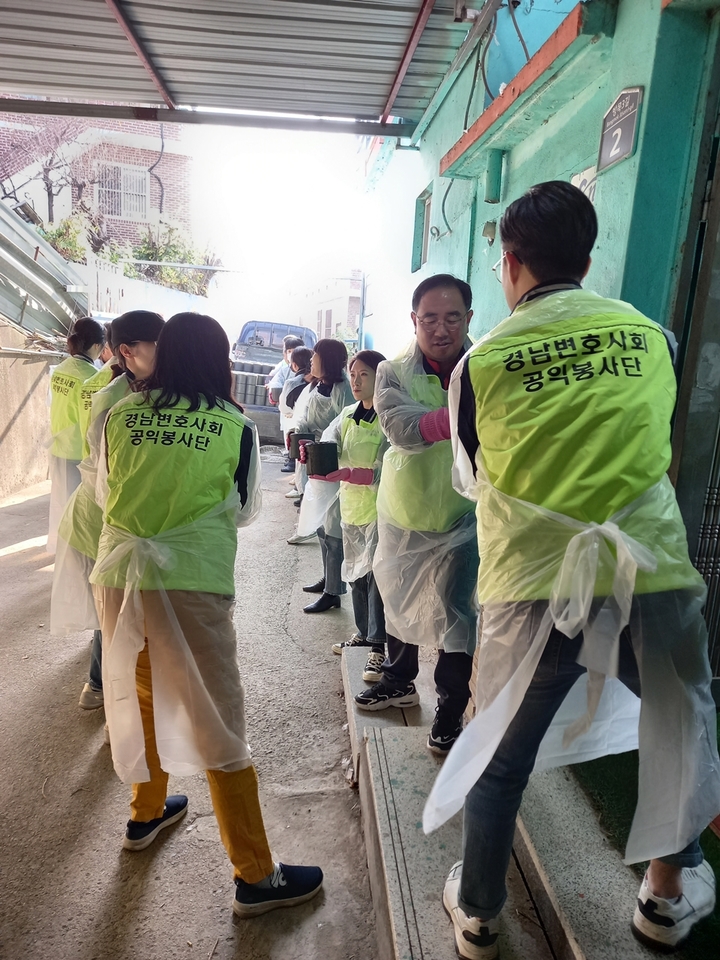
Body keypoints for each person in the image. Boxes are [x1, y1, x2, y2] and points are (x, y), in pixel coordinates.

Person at [431, 181, 720, 959]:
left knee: (501, 752)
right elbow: (648, 439)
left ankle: (482, 912)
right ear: (588, 261)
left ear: (512, 263)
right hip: (650, 569)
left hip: (530, 583)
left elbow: (473, 477)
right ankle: (664, 897)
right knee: (681, 727)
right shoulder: (651, 335)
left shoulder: (481, 362)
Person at [88, 312, 322, 915]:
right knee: (217, 718)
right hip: (193, 584)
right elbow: (244, 509)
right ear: (220, 361)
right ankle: (255, 875)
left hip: (119, 578)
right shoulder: (233, 426)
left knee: (140, 697)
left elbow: (103, 490)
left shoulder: (121, 414)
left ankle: (144, 815)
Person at [354, 276, 479, 759]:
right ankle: (399, 681)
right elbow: (401, 428)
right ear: (414, 320)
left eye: (452, 317)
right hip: (405, 508)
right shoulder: (392, 371)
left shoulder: (485, 365)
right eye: (430, 318)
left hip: (463, 514)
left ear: (469, 319)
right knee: (396, 597)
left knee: (457, 615)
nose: (441, 328)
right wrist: (464, 417)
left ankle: (450, 711)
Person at [52, 311, 165, 711]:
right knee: (115, 613)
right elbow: (106, 476)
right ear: (126, 352)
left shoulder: (146, 387)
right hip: (101, 517)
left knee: (118, 608)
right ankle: (100, 686)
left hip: (119, 517)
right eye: (158, 343)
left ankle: (108, 684)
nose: (168, 351)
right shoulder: (112, 398)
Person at [309, 350, 389, 681]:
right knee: (355, 574)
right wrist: (312, 453)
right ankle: (362, 632)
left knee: (376, 580)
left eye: (364, 375)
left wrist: (351, 474)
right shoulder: (348, 415)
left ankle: (378, 647)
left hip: (380, 512)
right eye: (352, 374)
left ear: (380, 377)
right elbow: (330, 442)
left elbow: (388, 469)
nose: (355, 381)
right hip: (352, 509)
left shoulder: (388, 418)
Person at [288, 339, 354, 583]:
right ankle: (327, 579)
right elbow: (304, 415)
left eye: (316, 356)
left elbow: (346, 429)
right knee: (321, 522)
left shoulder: (343, 390)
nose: (312, 360)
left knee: (333, 526)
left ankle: (334, 589)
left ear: (329, 360)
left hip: (334, 462)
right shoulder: (317, 386)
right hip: (314, 457)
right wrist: (297, 432)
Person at [48, 317, 105, 552]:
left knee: (62, 500)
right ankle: (73, 552)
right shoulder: (91, 377)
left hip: (58, 444)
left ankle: (62, 547)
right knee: (78, 508)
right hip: (78, 451)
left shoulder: (60, 369)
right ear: (96, 346)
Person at [280, 346, 313, 484]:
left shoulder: (292, 382)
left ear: (294, 365)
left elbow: (284, 407)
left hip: (295, 423)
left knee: (300, 457)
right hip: (312, 424)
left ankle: (300, 487)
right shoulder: (317, 380)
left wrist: (290, 412)